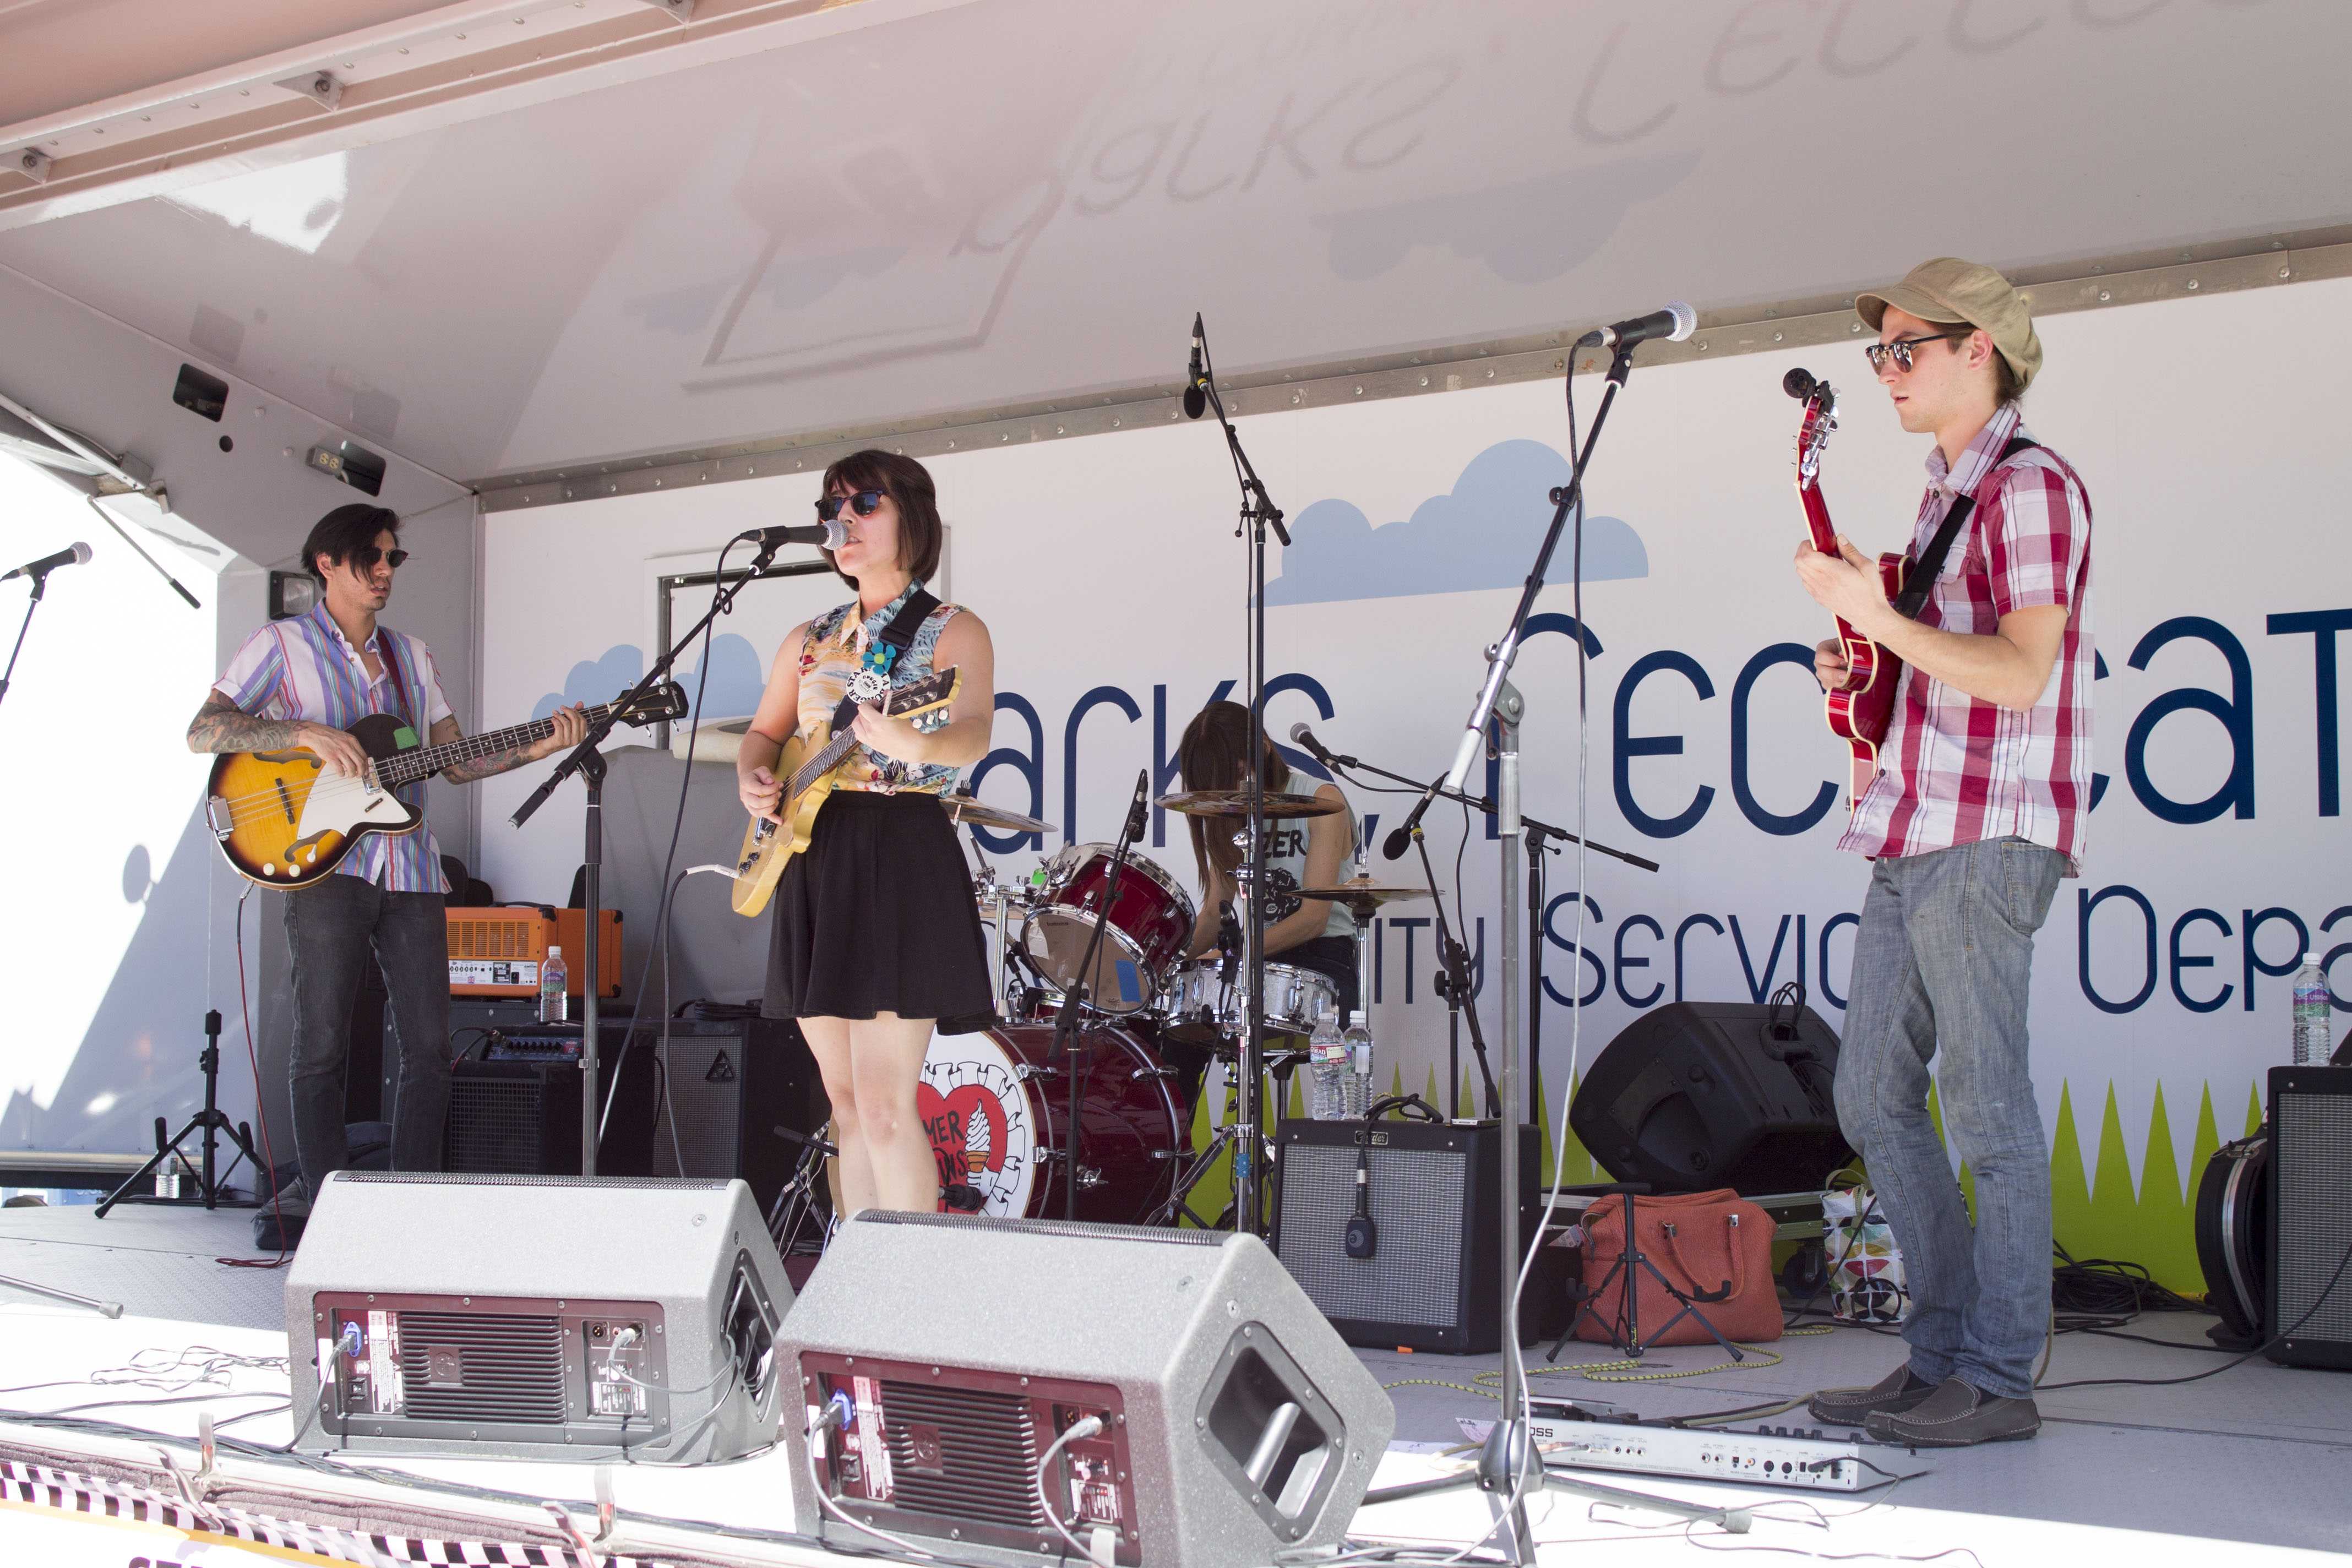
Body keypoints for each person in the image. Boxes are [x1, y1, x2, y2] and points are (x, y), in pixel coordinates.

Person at [1793, 259, 2094, 1447]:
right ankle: (1941, 1357)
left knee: (1984, 1100)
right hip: (1913, 824)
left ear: (1985, 350)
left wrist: (1875, 619)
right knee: (1870, 1092)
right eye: (1881, 352)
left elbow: (2024, 673)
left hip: (1986, 830)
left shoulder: (2031, 488)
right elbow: (1934, 658)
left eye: (1908, 347)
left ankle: (2001, 1375)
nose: (1888, 369)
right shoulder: (1945, 496)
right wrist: (1866, 660)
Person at [188, 503, 585, 1215]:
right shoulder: (281, 644)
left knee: (431, 1047)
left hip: (412, 872)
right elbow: (206, 730)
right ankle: (325, 1206)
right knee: (323, 1047)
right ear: (326, 565)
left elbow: (456, 761)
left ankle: (413, 1207)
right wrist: (303, 732)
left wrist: (541, 745)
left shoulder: (413, 655)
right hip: (324, 868)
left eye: (392, 559)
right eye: (370, 558)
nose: (383, 571)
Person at [739, 450, 995, 1217]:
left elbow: (974, 731)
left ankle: (911, 1297)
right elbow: (763, 734)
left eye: (865, 503)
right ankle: (856, 1288)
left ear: (911, 517)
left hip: (899, 852)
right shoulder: (809, 636)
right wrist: (753, 778)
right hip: (815, 856)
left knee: (886, 1105)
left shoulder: (953, 628)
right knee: (845, 1106)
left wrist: (915, 745)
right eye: (833, 508)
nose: (842, 521)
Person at [1175, 700, 1359, 1020]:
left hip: (1323, 955)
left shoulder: (1322, 799)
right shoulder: (1230, 809)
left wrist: (1229, 954)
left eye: (1236, 775)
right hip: (1255, 957)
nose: (1230, 791)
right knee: (1181, 1032)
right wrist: (1166, 962)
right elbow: (1215, 912)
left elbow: (1314, 918)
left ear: (1263, 748)